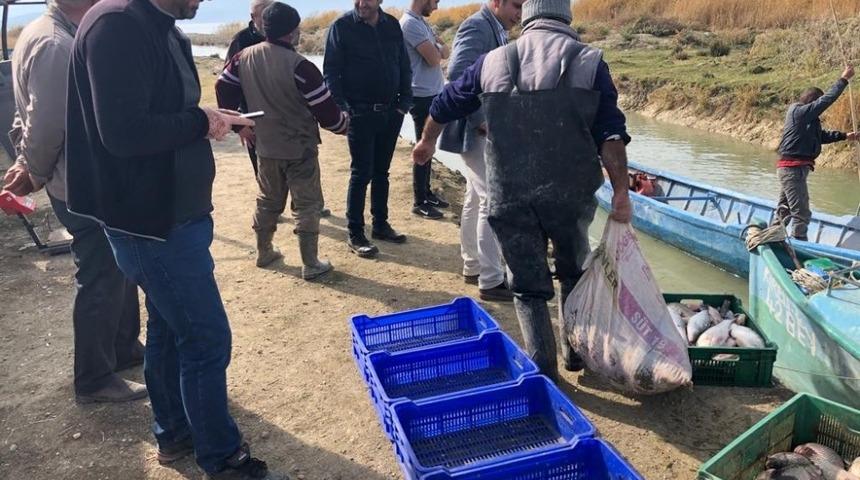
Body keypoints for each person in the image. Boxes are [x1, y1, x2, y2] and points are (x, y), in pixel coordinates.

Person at [65, 0, 284, 478]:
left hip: (173, 217)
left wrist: (209, 116)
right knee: (206, 338)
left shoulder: (160, 25)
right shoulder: (117, 26)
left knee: (168, 328)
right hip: (152, 224)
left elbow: (162, 112)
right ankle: (222, 459)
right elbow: (123, 133)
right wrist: (200, 121)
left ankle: (175, 433)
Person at [412, 0, 633, 380]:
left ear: (528, 18)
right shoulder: (591, 62)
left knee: (527, 286)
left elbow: (444, 104)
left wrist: (427, 141)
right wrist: (621, 193)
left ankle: (543, 370)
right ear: (567, 17)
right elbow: (611, 135)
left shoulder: (493, 61)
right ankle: (575, 355)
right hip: (570, 194)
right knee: (572, 271)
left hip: (510, 192)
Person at [2, 0, 148, 405]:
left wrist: (27, 161)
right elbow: (46, 122)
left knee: (117, 266)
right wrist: (31, 169)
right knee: (101, 275)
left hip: (81, 178)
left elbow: (27, 114)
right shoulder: (55, 44)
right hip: (80, 183)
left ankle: (123, 347)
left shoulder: (51, 33)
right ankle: (94, 378)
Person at [216, 2, 349, 278]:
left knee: (267, 200)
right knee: (308, 204)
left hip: (265, 145)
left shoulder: (242, 57)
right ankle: (310, 263)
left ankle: (264, 251)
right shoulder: (301, 67)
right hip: (299, 147)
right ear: (292, 32)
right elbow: (328, 115)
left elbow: (222, 87)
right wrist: (345, 123)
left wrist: (238, 124)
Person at [440, 0, 520, 301]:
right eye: (516, 5)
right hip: (476, 129)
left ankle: (473, 265)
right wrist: (480, 119)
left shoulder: (495, 27)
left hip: (479, 128)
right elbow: (458, 74)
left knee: (476, 197)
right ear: (496, 2)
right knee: (492, 199)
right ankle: (491, 280)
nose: (519, 13)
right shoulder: (477, 25)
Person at [324, 0, 413, 258]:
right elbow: (331, 71)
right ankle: (355, 233)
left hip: (391, 112)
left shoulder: (392, 25)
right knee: (361, 173)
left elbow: (404, 65)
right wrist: (342, 107)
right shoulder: (341, 27)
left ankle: (381, 225)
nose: (362, 3)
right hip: (359, 113)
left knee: (382, 172)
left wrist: (404, 103)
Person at [227, 0, 332, 219]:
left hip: (291, 120)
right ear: (253, 17)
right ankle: (273, 211)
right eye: (262, 14)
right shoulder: (241, 42)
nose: (267, 18)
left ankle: (302, 206)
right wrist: (238, 124)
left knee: (301, 168)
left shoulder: (283, 39)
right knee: (266, 173)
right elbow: (227, 85)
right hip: (256, 122)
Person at [774, 66, 857, 240]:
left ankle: (773, 236)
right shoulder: (798, 112)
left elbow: (821, 136)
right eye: (816, 105)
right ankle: (798, 242)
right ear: (812, 102)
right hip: (792, 170)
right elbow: (826, 101)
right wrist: (843, 79)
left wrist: (844, 136)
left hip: (792, 170)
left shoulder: (807, 120)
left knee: (784, 209)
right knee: (802, 213)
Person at [401, 0, 449, 220]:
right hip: (421, 95)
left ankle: (427, 193)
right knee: (424, 146)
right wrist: (438, 48)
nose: (436, 7)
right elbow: (434, 59)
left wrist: (438, 48)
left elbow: (445, 53)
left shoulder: (422, 23)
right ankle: (419, 201)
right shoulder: (410, 24)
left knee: (430, 146)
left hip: (432, 93)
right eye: (435, 1)